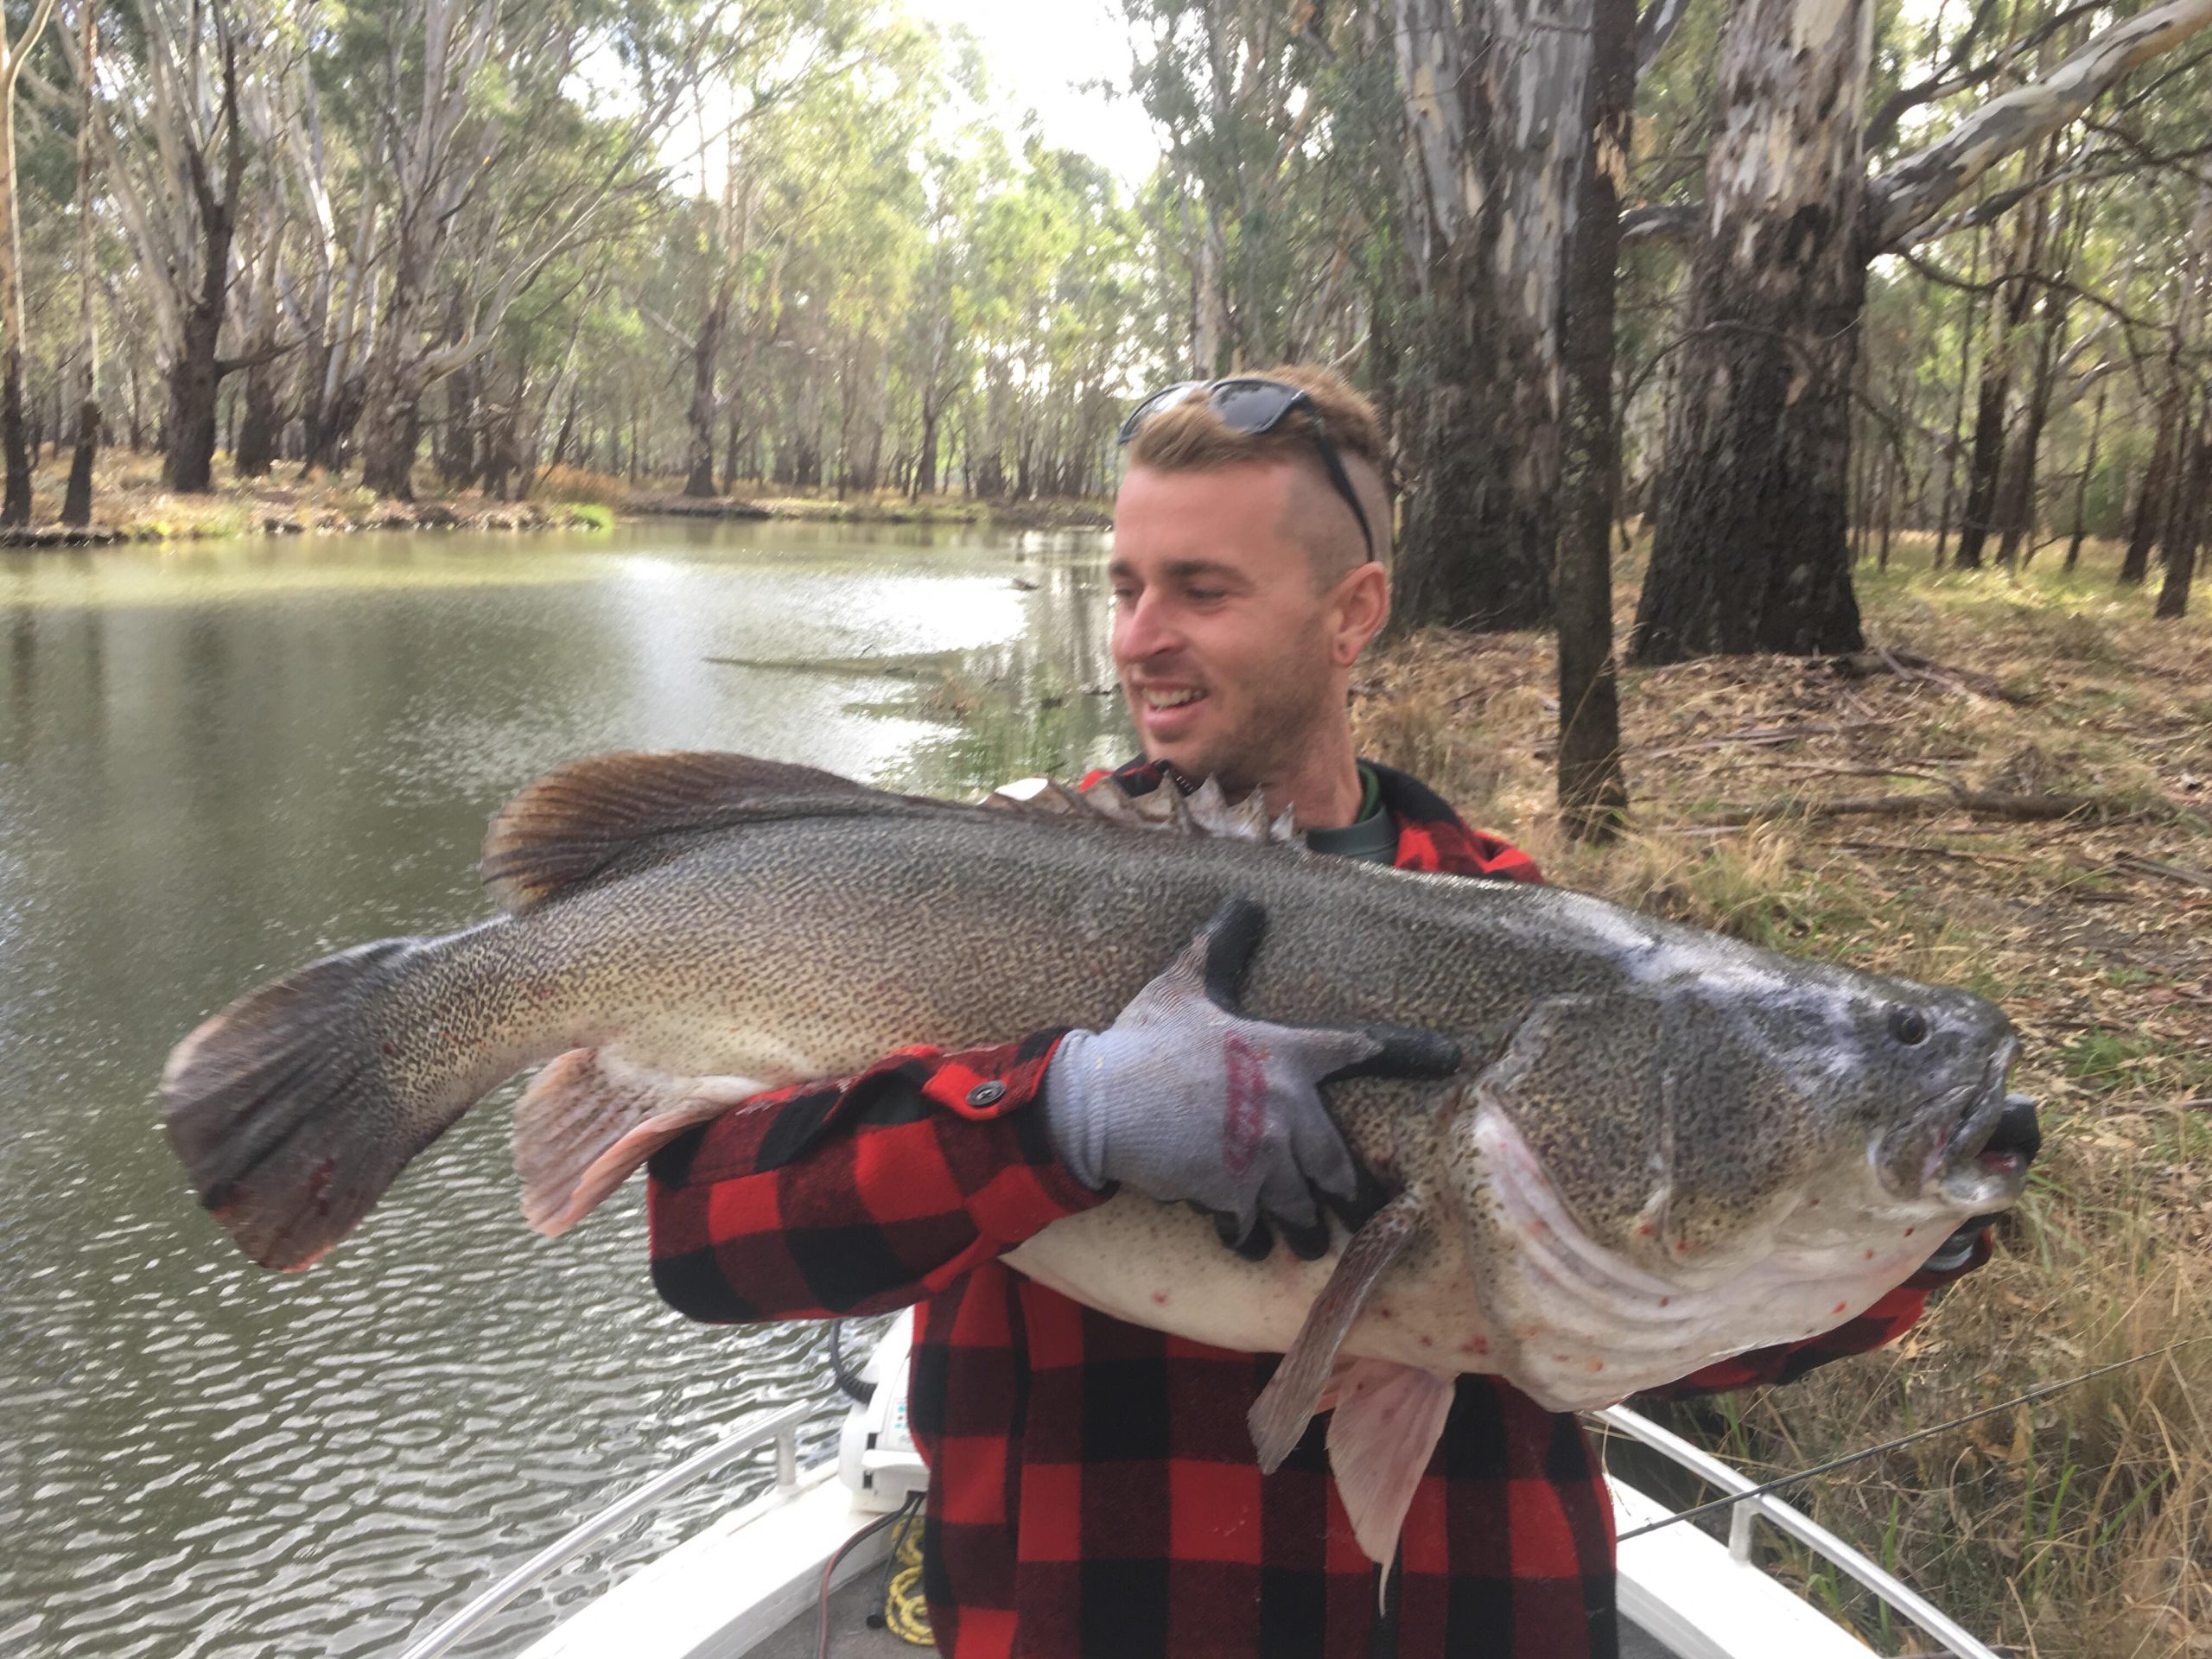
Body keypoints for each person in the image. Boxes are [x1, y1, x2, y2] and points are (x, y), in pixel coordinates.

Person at [645, 366, 1991, 1658]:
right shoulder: (989, 884)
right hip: (1093, 1614)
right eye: (1126, 587)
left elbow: (1658, 1320)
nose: (1139, 638)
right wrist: (1055, 1117)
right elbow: (710, 1242)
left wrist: (1891, 1240)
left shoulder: (1527, 930)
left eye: (1202, 590)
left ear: (1354, 614)